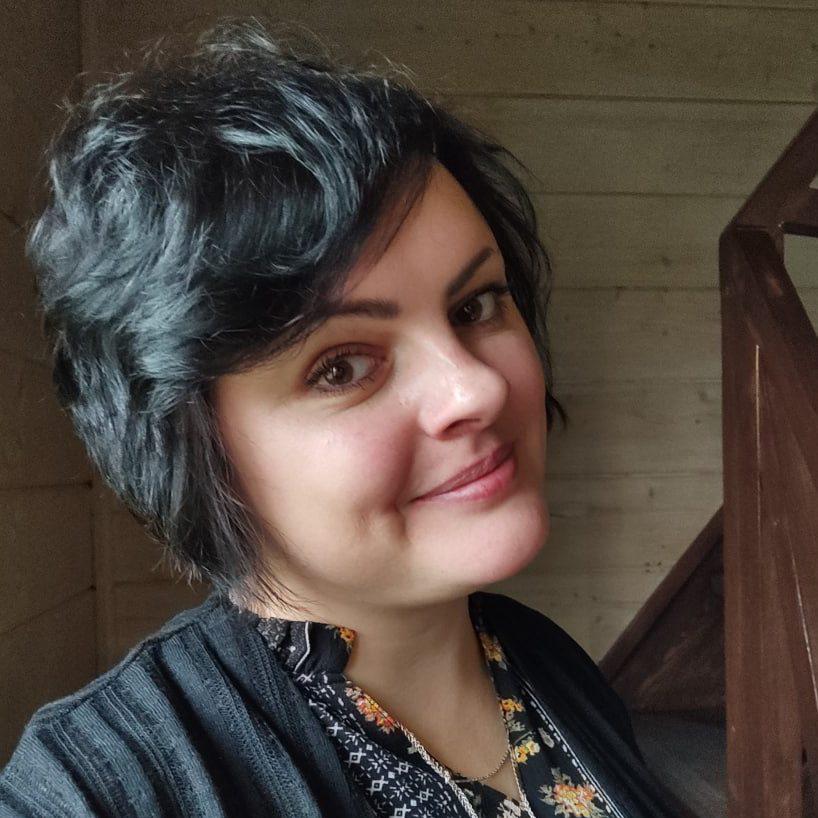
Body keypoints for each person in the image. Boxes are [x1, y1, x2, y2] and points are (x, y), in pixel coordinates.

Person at [0, 17, 685, 818]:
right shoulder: (104, 787)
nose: (476, 389)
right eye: (342, 367)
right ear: (186, 447)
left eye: (475, 305)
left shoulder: (544, 660)